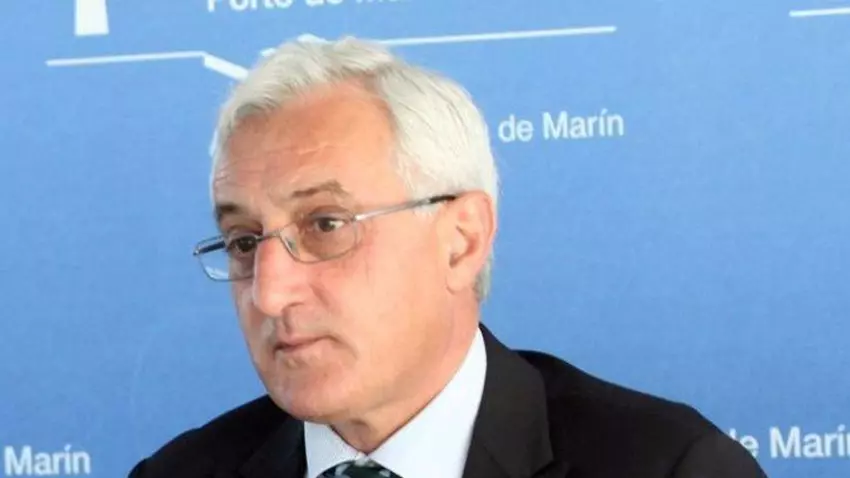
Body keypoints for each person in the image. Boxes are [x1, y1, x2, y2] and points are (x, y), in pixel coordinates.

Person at [128, 36, 768, 478]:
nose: (269, 293)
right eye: (245, 241)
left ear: (461, 241)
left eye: (325, 225)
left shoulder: (669, 467)